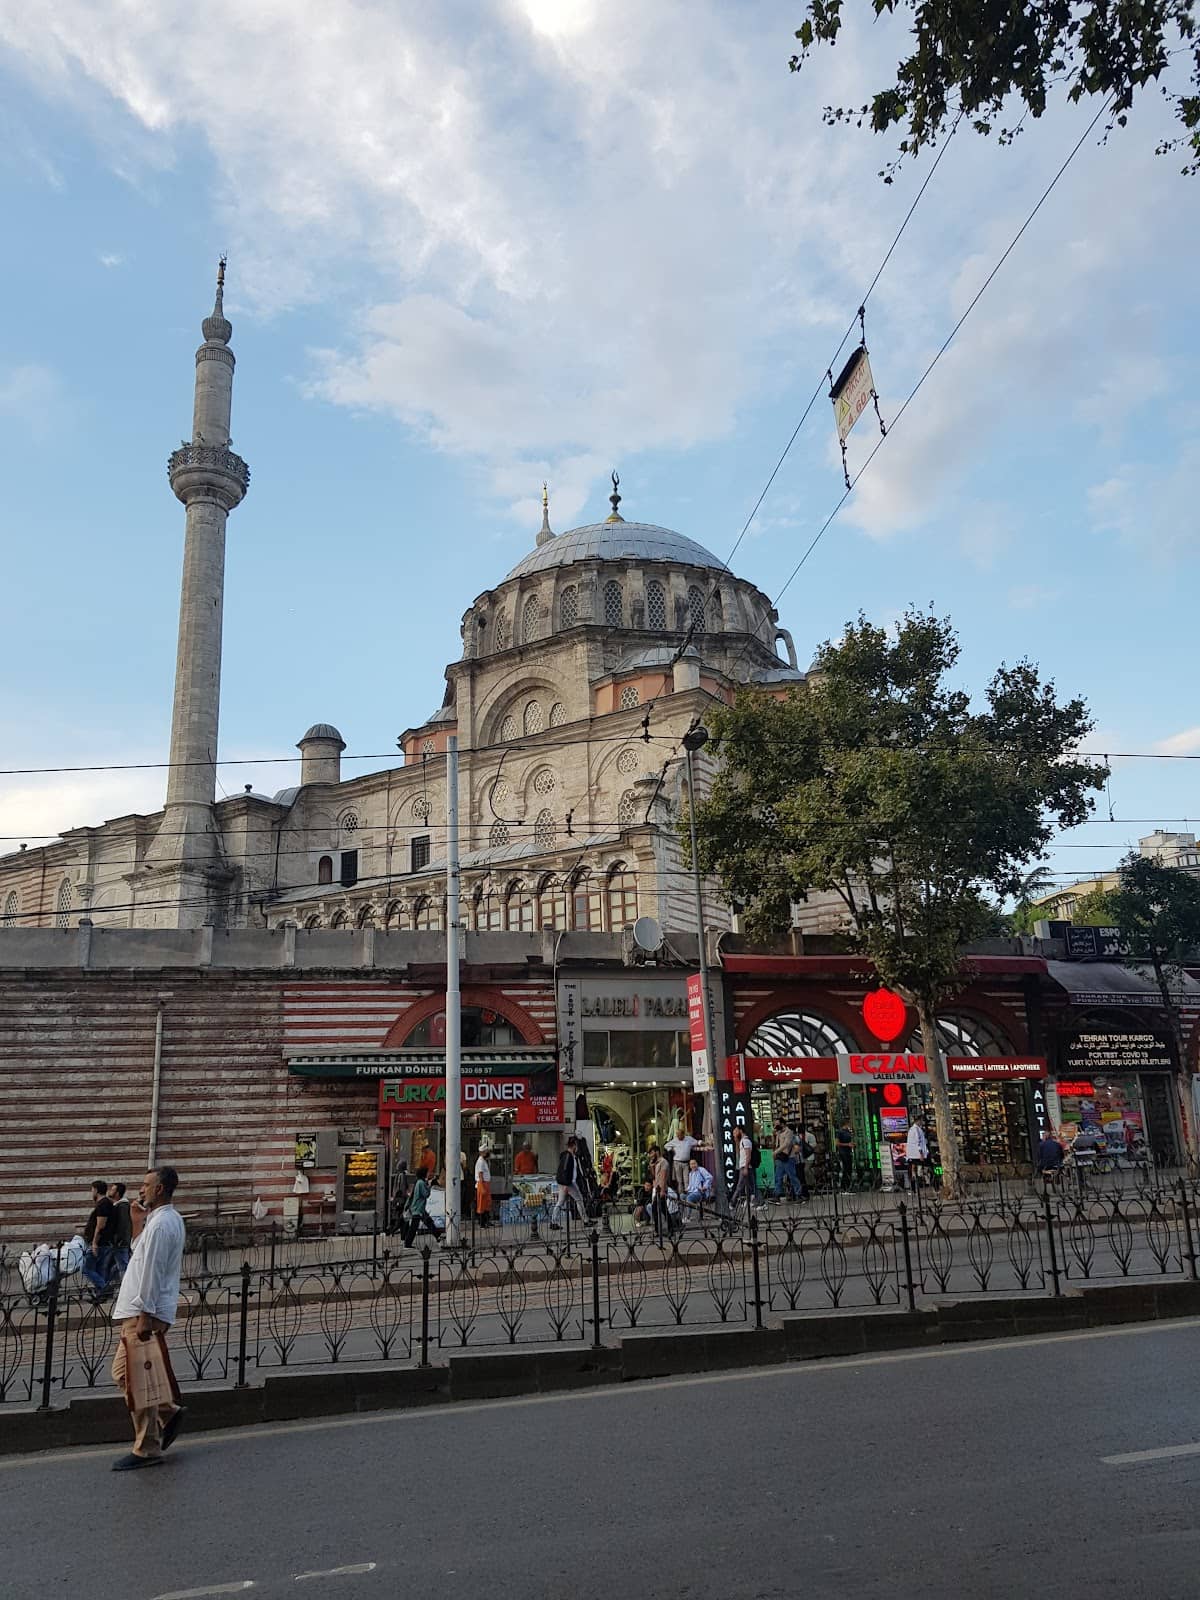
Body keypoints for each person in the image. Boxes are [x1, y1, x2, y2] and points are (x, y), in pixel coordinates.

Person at [109, 1165, 186, 1471]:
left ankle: (147, 1448)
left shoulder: (162, 1225)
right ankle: (168, 1411)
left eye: (145, 1185)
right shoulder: (160, 1221)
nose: (140, 1190)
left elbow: (152, 1271)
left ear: (160, 1189)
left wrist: (145, 1314)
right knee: (124, 1373)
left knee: (135, 1379)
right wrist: (137, 1223)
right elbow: (140, 1253)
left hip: (142, 1314)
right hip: (139, 1310)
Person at [81, 1179, 117, 1298]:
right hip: (104, 1243)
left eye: (92, 1190)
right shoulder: (105, 1203)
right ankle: (102, 1293)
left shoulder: (103, 1204)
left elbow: (100, 1225)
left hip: (100, 1243)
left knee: (86, 1269)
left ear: (96, 1190)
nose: (91, 1193)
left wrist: (95, 1243)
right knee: (100, 1269)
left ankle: (105, 1288)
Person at [550, 1136, 589, 1229]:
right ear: (574, 1145)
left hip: (565, 1183)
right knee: (579, 1200)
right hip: (568, 1183)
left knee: (560, 1202)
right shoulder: (569, 1156)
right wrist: (566, 1185)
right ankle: (586, 1220)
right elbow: (565, 1170)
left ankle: (553, 1222)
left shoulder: (567, 1155)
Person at [402, 1166, 444, 1246]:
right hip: (418, 1208)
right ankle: (407, 1243)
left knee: (428, 1222)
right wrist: (430, 1186)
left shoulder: (419, 1182)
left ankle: (438, 1236)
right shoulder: (421, 1183)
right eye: (428, 1173)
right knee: (414, 1227)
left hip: (418, 1208)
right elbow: (426, 1194)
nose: (429, 1174)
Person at [772, 1121, 805, 1201]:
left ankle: (798, 1194)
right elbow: (777, 1144)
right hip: (780, 1158)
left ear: (782, 1124)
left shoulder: (789, 1133)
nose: (775, 1125)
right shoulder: (778, 1133)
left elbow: (786, 1144)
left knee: (792, 1176)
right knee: (778, 1176)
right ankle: (777, 1195)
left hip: (789, 1157)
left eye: (777, 1124)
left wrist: (776, 1152)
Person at [107, 1182, 134, 1276]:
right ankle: (109, 1288)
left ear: (117, 1193)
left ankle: (128, 1288)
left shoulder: (122, 1207)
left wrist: (119, 1240)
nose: (110, 1191)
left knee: (123, 1267)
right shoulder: (118, 1206)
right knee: (114, 1267)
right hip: (117, 1243)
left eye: (112, 1189)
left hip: (120, 1244)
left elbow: (124, 1225)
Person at [730, 1123, 757, 1213]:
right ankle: (752, 1201)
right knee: (750, 1186)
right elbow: (739, 1153)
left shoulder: (746, 1141)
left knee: (740, 1186)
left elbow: (748, 1155)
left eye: (737, 1131)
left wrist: (745, 1167)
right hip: (744, 1166)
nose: (735, 1133)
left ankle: (732, 1203)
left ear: (740, 1131)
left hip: (746, 1167)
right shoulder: (742, 1141)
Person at [666, 1127, 698, 1193]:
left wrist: (703, 1143)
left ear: (683, 1134)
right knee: (679, 1181)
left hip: (686, 1162)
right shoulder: (675, 1140)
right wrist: (671, 1149)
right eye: (677, 1135)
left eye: (679, 1135)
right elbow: (666, 1145)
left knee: (686, 1179)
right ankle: (681, 1194)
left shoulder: (688, 1139)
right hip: (677, 1162)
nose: (678, 1137)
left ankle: (688, 1193)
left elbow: (696, 1142)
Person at [650, 1145, 672, 1241]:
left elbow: (663, 1177)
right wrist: (651, 1166)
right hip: (657, 1189)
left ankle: (661, 1230)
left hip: (661, 1189)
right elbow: (654, 1176)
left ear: (657, 1152)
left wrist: (662, 1190)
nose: (650, 1155)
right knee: (661, 1209)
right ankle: (666, 1228)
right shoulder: (657, 1163)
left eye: (652, 1153)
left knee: (659, 1209)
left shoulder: (663, 1162)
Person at [905, 1116, 929, 1188]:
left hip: (913, 1154)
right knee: (920, 1168)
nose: (922, 1122)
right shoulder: (916, 1130)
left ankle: (915, 1186)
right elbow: (917, 1142)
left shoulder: (913, 1129)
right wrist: (921, 1153)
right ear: (918, 1121)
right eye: (921, 1120)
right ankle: (919, 1183)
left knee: (914, 1168)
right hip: (917, 1154)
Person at [474, 1147, 492, 1226]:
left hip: (486, 1183)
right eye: (486, 1152)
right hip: (482, 1183)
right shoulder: (480, 1161)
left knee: (487, 1203)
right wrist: (482, 1187)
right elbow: (480, 1174)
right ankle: (481, 1222)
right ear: (482, 1152)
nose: (487, 1153)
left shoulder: (484, 1161)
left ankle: (487, 1220)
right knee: (481, 1203)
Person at [835, 1121, 854, 1189]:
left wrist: (852, 1145)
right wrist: (847, 1144)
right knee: (845, 1169)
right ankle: (844, 1186)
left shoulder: (848, 1132)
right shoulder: (840, 1132)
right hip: (843, 1152)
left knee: (849, 1169)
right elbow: (837, 1143)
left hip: (848, 1152)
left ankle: (848, 1185)